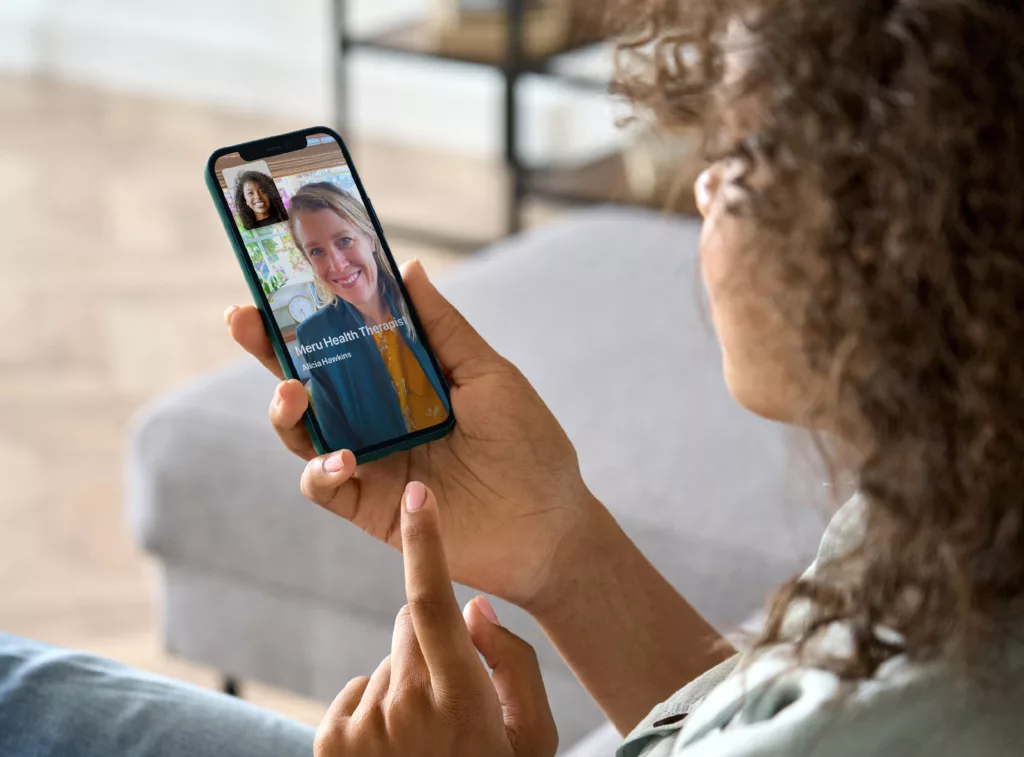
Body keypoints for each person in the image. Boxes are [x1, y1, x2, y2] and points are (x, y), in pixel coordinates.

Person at [3, 0, 1024, 755]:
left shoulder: (929, 712)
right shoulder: (952, 510)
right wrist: (560, 543)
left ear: (913, 232)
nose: (700, 185)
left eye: (746, 157)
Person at [287, 181, 450, 451]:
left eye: (344, 241)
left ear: (370, 239)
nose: (336, 264)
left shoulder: (417, 300)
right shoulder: (315, 334)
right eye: (316, 251)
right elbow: (339, 442)